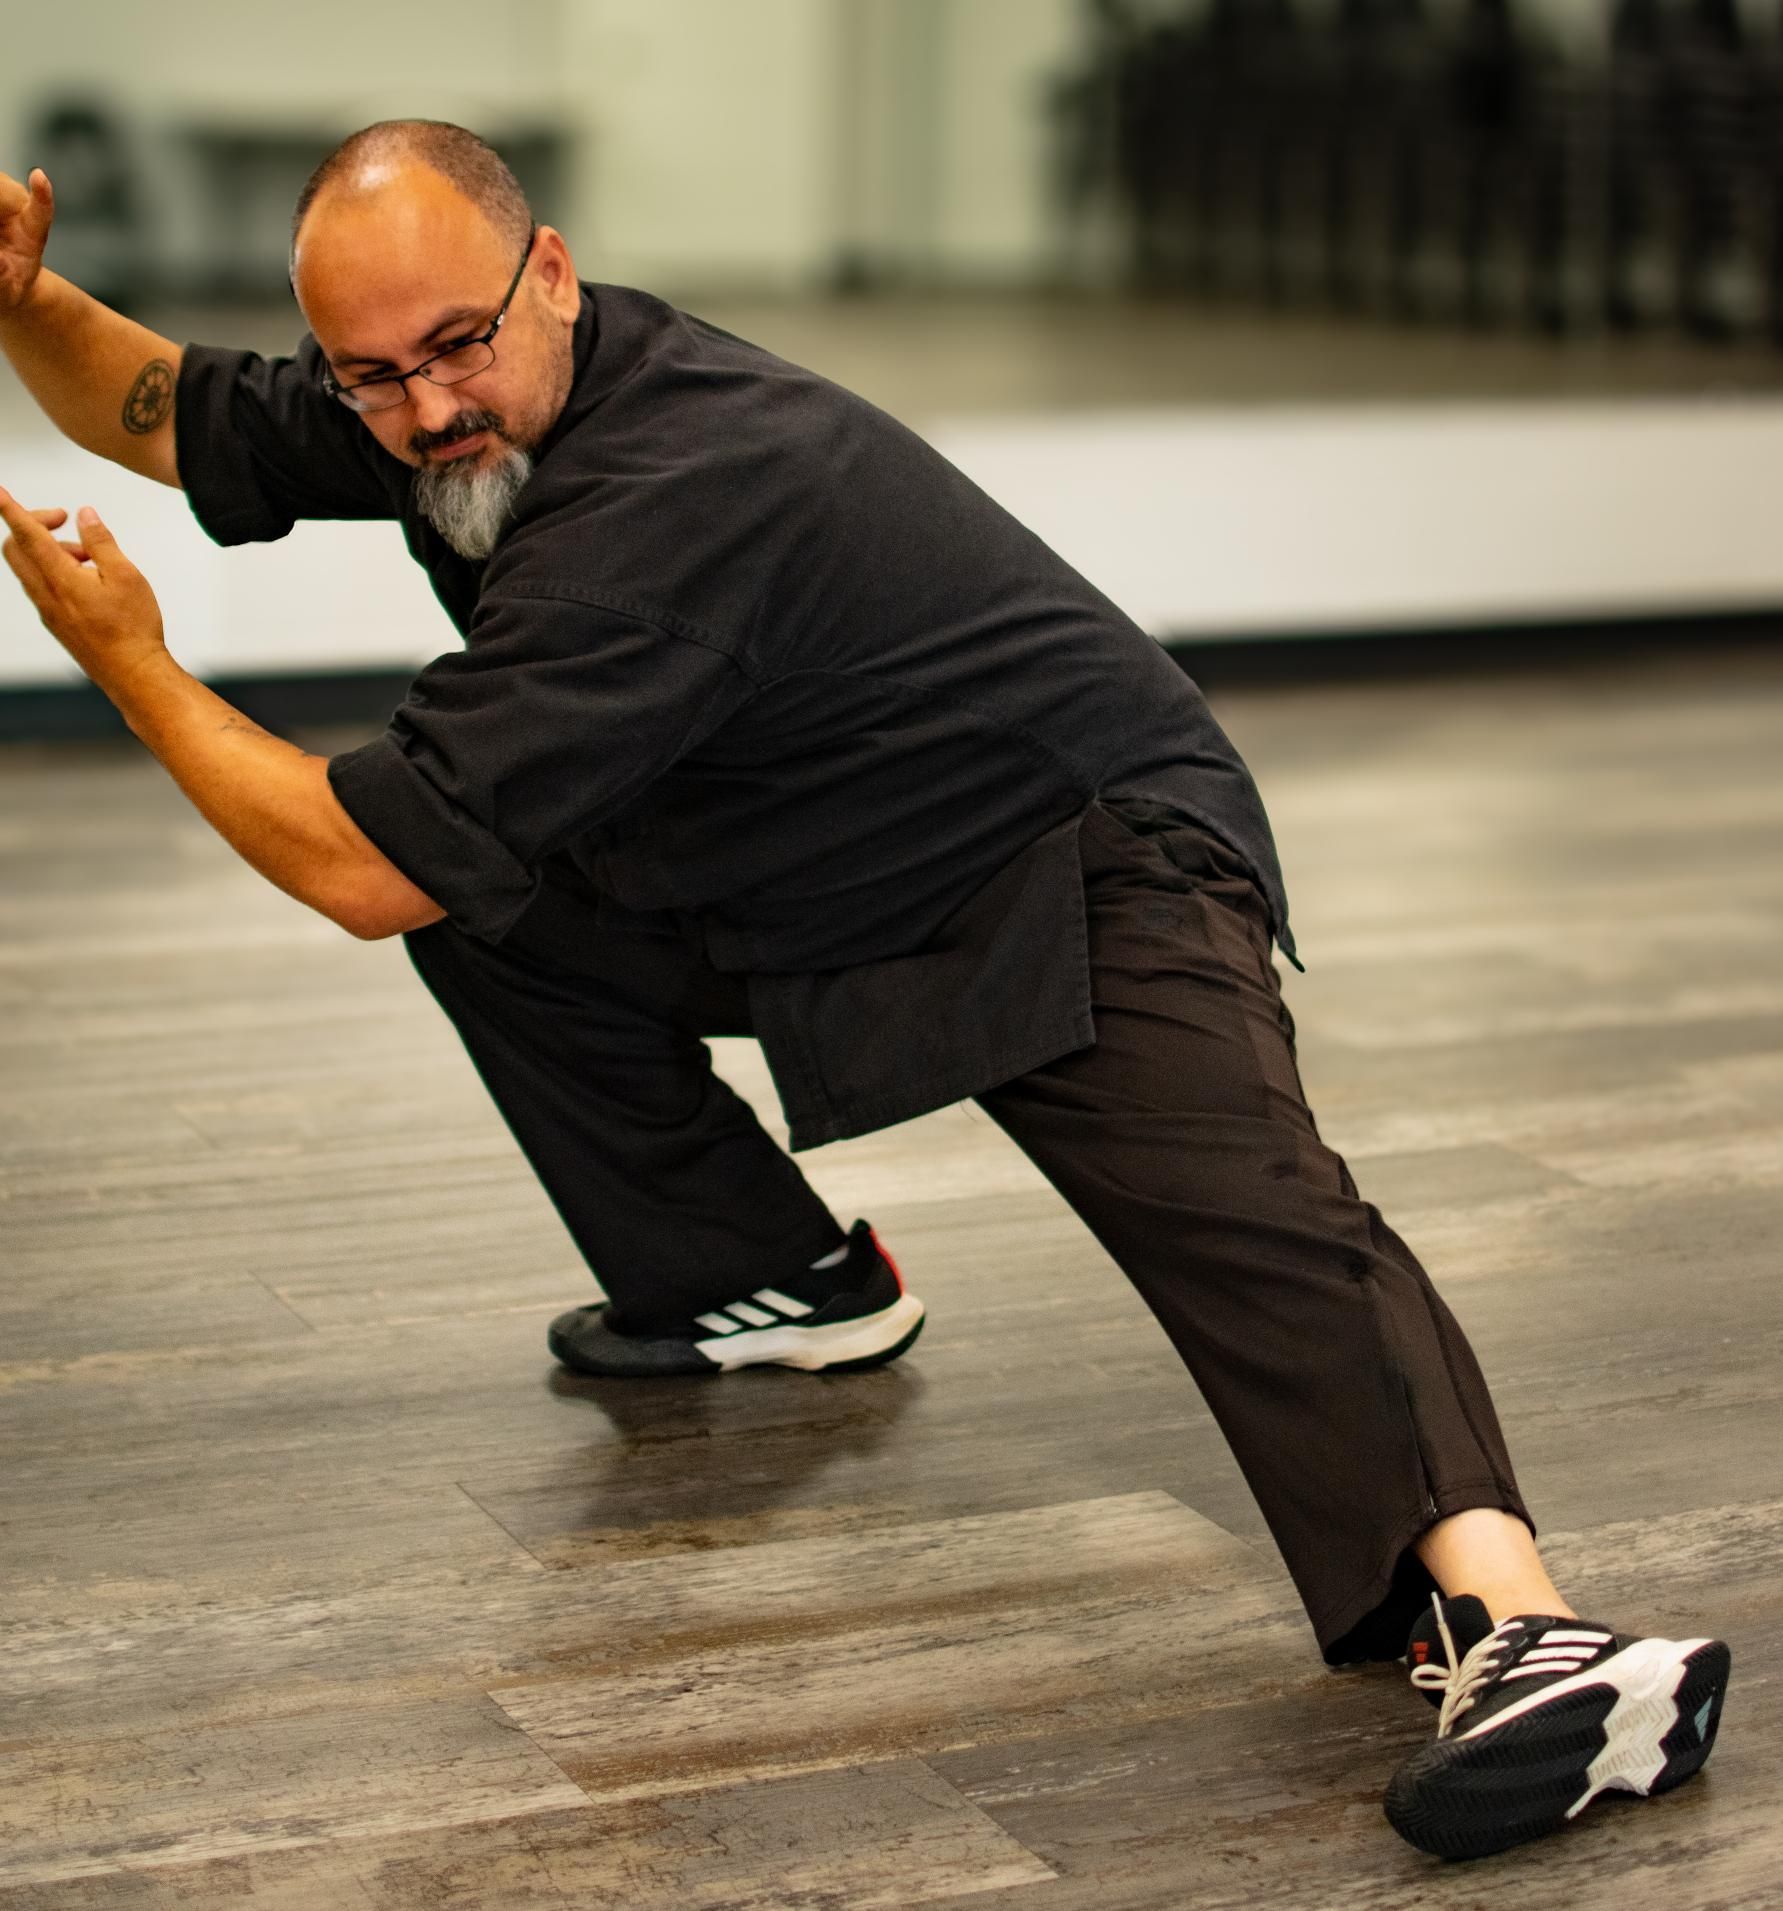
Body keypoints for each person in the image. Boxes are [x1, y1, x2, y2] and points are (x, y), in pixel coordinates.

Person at [0, 122, 1729, 1861]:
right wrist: (21, 298)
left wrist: (135, 668)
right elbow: (160, 404)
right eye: (371, 376)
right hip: (811, 851)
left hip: (1067, 847)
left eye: (459, 348)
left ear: (554, 277)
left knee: (1253, 1221)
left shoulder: (667, 494)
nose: (429, 408)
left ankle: (1528, 1634)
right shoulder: (443, 382)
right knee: (493, 893)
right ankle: (771, 1279)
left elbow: (354, 869)